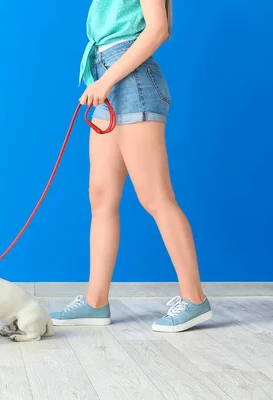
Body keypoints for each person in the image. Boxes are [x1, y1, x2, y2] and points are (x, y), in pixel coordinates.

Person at [50, 0, 213, 333]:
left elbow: (158, 29)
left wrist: (105, 81)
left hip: (130, 82)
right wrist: (103, 81)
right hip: (108, 79)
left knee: (155, 196)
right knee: (101, 196)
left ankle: (194, 299)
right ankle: (96, 301)